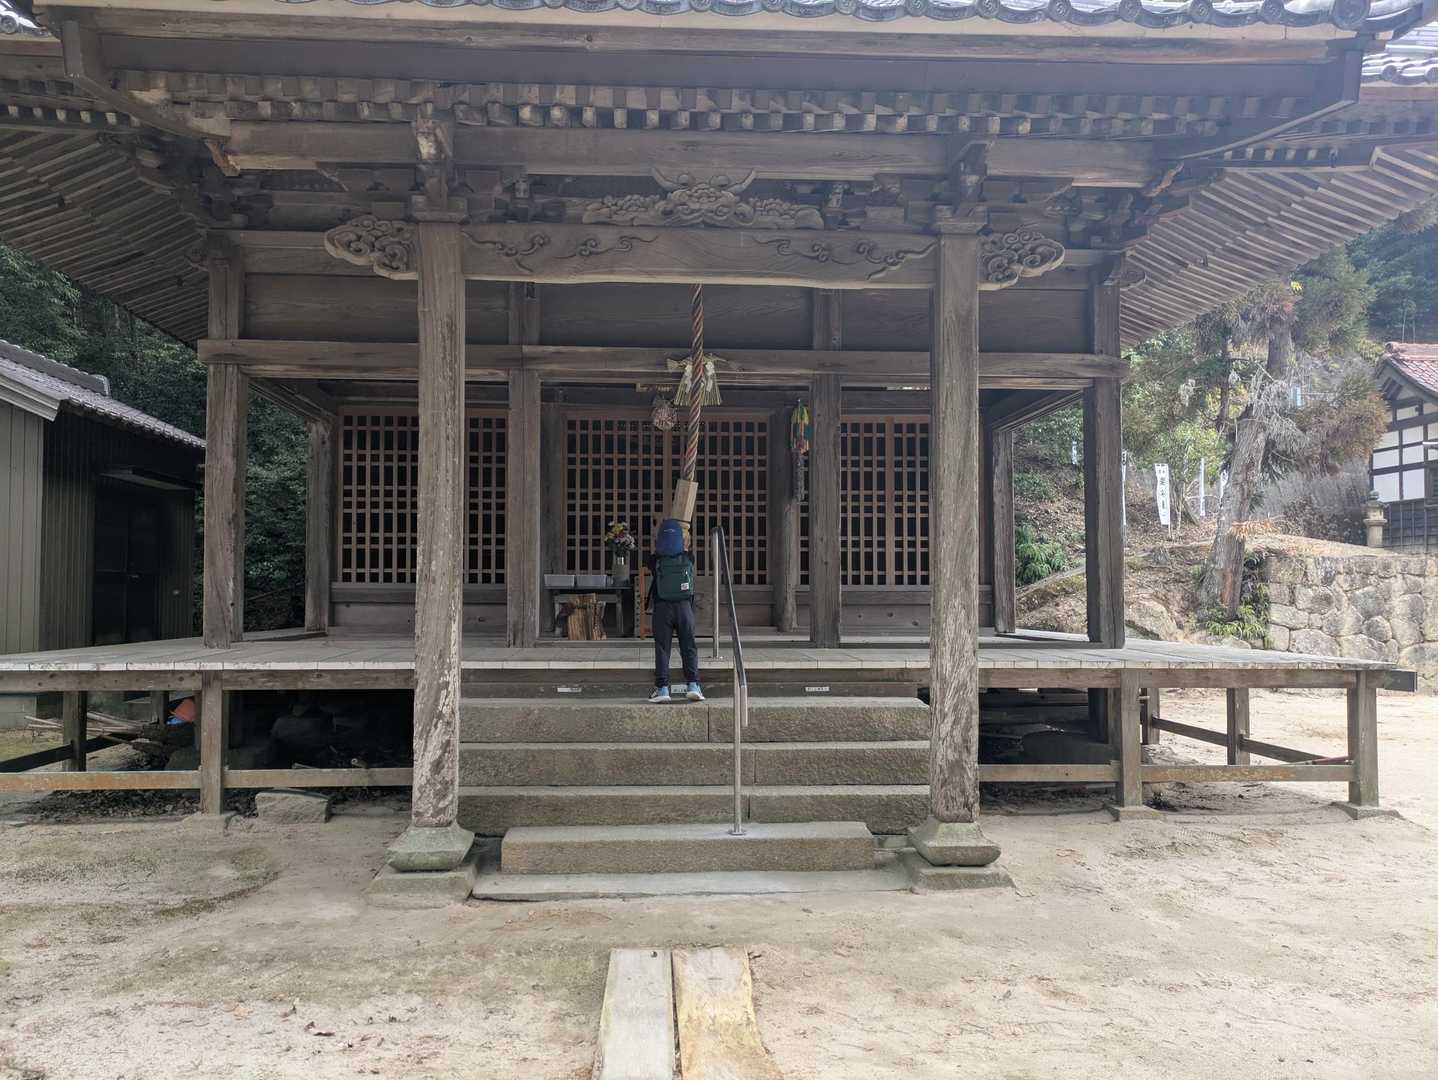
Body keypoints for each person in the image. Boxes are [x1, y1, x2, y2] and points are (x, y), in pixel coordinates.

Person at [646, 517, 703, 703]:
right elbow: (685, 550)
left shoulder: (654, 560)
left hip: (662, 608)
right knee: (689, 646)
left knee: (663, 648)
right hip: (684, 608)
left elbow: (655, 554)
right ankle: (693, 685)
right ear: (683, 542)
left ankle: (662, 688)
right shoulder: (689, 558)